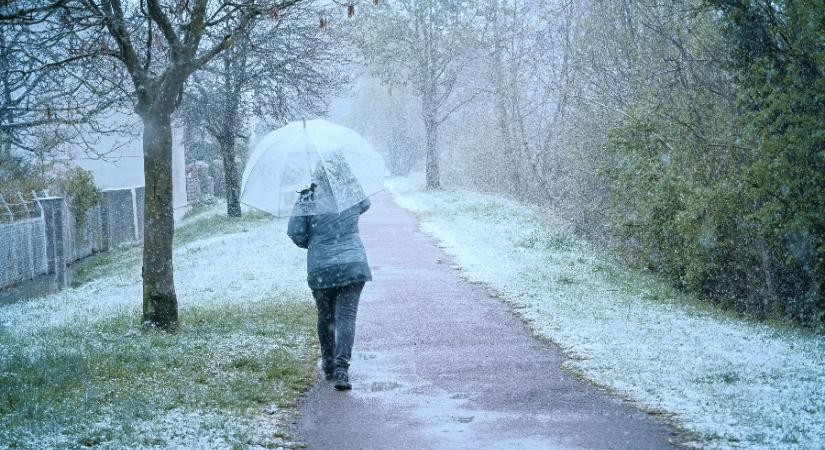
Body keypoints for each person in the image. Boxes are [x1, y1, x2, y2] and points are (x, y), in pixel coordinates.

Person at [287, 177, 372, 391]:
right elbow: (365, 204)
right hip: (353, 265)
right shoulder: (351, 189)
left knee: (326, 317)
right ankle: (342, 368)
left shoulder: (307, 198)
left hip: (321, 268)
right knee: (346, 317)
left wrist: (315, 242)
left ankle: (328, 364)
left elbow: (295, 232)